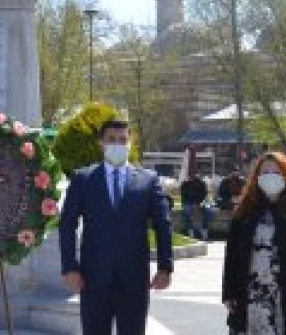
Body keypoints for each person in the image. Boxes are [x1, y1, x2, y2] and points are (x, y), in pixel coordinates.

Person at [59, 120, 173, 335]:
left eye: (123, 140)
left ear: (130, 142)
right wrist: (69, 268)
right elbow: (67, 224)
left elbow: (162, 225)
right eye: (111, 139)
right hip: (93, 279)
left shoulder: (148, 181)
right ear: (101, 143)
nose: (117, 144)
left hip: (134, 280)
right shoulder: (83, 179)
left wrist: (165, 268)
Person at [222, 151, 286, 335]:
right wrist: (228, 292)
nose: (270, 176)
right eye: (265, 172)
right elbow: (232, 254)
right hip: (251, 293)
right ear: (256, 177)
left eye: (276, 172)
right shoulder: (245, 208)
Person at [180, 172, 209, 239]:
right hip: (188, 203)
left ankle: (204, 229)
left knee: (209, 212)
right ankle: (191, 231)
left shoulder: (202, 183)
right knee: (186, 212)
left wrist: (198, 203)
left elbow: (204, 195)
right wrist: (193, 204)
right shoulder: (185, 184)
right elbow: (184, 195)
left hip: (199, 203)